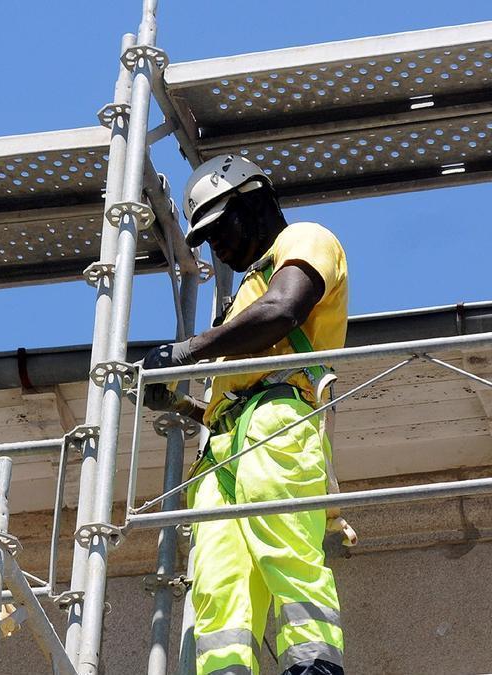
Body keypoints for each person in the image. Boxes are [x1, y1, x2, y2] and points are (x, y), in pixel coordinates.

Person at [141, 155, 346, 675]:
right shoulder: (237, 304)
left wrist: (188, 352)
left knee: (288, 556)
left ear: (255, 202)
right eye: (206, 238)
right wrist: (183, 403)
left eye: (220, 228)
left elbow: (283, 312)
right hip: (223, 448)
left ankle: (314, 667)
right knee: (218, 585)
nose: (217, 246)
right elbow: (229, 392)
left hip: (276, 423)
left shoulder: (303, 240)